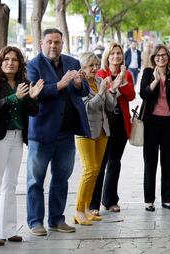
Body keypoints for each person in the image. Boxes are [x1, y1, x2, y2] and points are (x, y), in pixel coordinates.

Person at [26, 28, 91, 236]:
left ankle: (56, 219)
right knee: (35, 180)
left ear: (63, 43)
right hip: (42, 133)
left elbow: (83, 91)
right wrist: (60, 85)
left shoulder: (72, 63)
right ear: (41, 43)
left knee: (61, 178)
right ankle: (36, 222)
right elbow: (34, 92)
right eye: (49, 42)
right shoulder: (33, 65)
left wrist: (79, 84)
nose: (53, 46)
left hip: (66, 133)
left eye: (57, 42)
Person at [0, 46, 43, 246]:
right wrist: (13, 98)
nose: (10, 63)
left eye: (15, 60)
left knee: (10, 185)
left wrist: (33, 97)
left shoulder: (24, 83)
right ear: (0, 62)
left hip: (18, 137)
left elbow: (33, 112)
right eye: (7, 59)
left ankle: (9, 229)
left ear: (20, 63)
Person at [89, 42, 135, 215]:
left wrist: (121, 82)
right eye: (113, 53)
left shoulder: (127, 74)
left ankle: (110, 200)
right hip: (104, 123)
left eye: (119, 53)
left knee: (115, 163)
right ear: (107, 56)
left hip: (120, 122)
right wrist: (111, 87)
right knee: (100, 164)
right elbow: (105, 94)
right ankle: (93, 204)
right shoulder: (100, 73)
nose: (116, 56)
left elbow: (130, 95)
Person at [74, 52, 118, 225]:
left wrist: (112, 90)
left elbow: (110, 106)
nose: (94, 69)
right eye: (90, 65)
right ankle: (78, 210)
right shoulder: (80, 84)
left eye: (96, 65)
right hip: (85, 131)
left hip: (102, 130)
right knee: (89, 170)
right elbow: (88, 108)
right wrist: (101, 93)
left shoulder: (100, 81)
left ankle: (86, 209)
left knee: (96, 171)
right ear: (83, 68)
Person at [140, 44, 170, 212]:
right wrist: (156, 81)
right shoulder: (148, 73)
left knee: (168, 163)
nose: (161, 58)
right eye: (157, 56)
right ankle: (149, 199)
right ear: (153, 58)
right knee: (150, 162)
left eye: (164, 55)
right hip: (151, 123)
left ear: (168, 57)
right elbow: (143, 94)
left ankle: (166, 198)